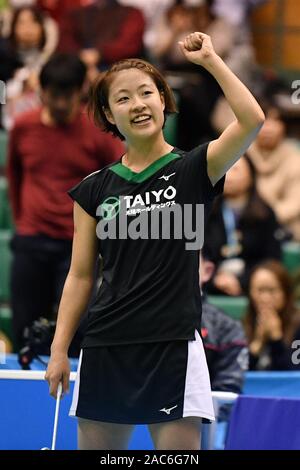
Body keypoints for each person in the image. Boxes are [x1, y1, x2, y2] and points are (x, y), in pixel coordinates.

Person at [45, 32, 264, 450]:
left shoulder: (195, 168)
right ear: (109, 115)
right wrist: (59, 350)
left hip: (174, 345)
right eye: (123, 99)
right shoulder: (94, 189)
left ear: (164, 101)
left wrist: (212, 61)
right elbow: (79, 275)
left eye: (147, 93)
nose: (139, 104)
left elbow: (252, 120)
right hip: (107, 344)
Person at [7, 53, 124, 350]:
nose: (60, 104)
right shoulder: (23, 126)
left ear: (80, 92)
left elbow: (121, 178)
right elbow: (15, 173)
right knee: (24, 329)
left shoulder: (97, 132)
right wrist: (23, 221)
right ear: (41, 92)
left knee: (76, 332)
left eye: (67, 97)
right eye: (53, 96)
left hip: (78, 246)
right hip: (31, 239)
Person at [204, 154, 283, 296]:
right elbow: (197, 255)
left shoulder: (265, 214)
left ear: (251, 175)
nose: (228, 175)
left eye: (235, 169)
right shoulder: (207, 210)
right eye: (225, 169)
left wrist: (242, 280)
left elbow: (271, 260)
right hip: (210, 285)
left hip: (254, 288)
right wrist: (216, 278)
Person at [200, 251, 248, 395]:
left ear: (207, 271)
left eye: (186, 263)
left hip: (205, 415)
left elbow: (228, 393)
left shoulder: (226, 327)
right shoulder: (140, 318)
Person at [244, 260, 300, 371]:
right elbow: (237, 375)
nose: (265, 298)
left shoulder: (298, 326)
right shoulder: (242, 326)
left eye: (272, 290)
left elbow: (294, 378)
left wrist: (276, 338)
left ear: (285, 293)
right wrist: (258, 344)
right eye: (260, 290)